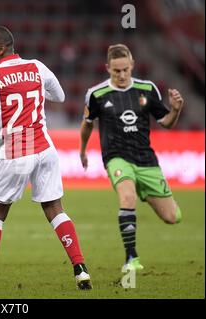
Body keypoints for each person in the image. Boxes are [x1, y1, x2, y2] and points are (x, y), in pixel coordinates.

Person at [0, 26, 92, 290]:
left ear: (1, 48)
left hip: (15, 150)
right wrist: (35, 92)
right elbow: (60, 96)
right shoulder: (37, 67)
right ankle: (80, 269)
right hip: (45, 148)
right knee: (55, 209)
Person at [79, 44, 184, 271]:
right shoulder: (96, 94)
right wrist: (82, 150)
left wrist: (175, 110)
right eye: (116, 71)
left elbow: (165, 122)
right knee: (127, 198)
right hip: (116, 157)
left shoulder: (147, 89)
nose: (122, 75)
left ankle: (148, 191)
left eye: (125, 69)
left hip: (146, 160)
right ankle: (131, 259)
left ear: (132, 65)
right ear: (108, 68)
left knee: (172, 216)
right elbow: (87, 125)